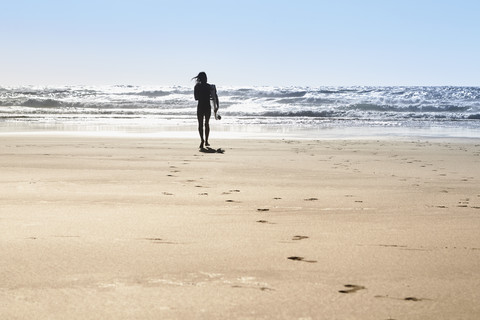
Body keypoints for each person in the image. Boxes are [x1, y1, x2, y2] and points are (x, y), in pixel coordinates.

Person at [193, 72, 219, 149]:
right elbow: (215, 97)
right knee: (207, 124)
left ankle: (202, 140)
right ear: (205, 78)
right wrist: (217, 106)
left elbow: (196, 98)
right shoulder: (209, 87)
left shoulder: (197, 87)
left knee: (200, 125)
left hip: (200, 106)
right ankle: (206, 141)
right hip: (207, 107)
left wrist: (202, 95)